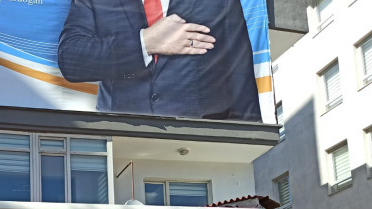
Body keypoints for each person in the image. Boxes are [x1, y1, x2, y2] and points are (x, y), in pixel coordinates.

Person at [58, 0, 262, 121]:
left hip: (202, 148)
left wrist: (250, 150)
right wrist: (145, 43)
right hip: (124, 143)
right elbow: (71, 59)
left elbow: (241, 81)